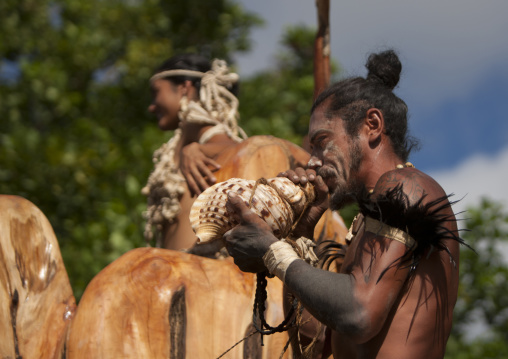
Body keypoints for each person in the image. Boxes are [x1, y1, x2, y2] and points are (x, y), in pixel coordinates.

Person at [223, 50, 465, 358]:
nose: (313, 160)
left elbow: (359, 315)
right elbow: (313, 341)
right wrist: (299, 237)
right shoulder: (366, 223)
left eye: (322, 141)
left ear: (372, 125)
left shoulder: (406, 185)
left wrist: (272, 251)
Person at [142, 54, 247, 249]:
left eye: (156, 92)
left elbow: (240, 148)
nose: (151, 106)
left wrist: (197, 149)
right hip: (175, 272)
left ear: (184, 88)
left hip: (196, 272)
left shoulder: (204, 132)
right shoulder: (184, 138)